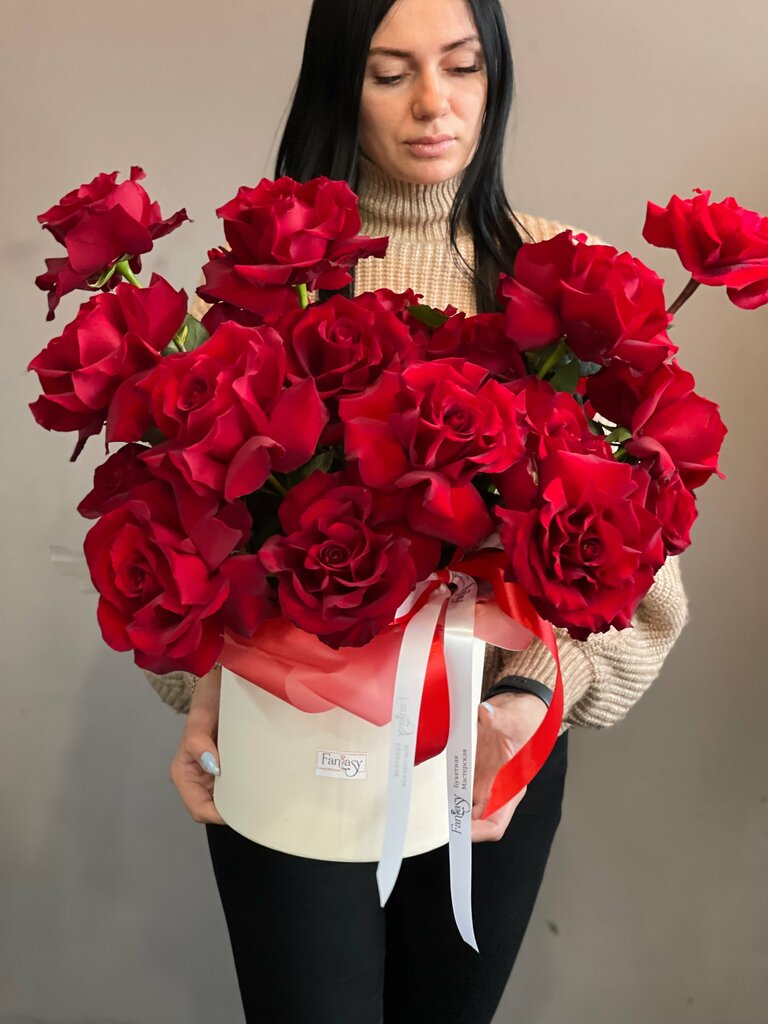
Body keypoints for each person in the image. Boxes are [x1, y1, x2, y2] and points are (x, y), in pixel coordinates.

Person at [143, 1, 690, 1021]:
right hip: (299, 743)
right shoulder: (269, 282)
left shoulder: (573, 279)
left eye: (462, 66)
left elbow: (640, 566)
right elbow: (198, 530)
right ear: (338, 86)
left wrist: (530, 699)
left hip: (487, 745)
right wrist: (212, 679)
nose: (434, 104)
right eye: (390, 73)